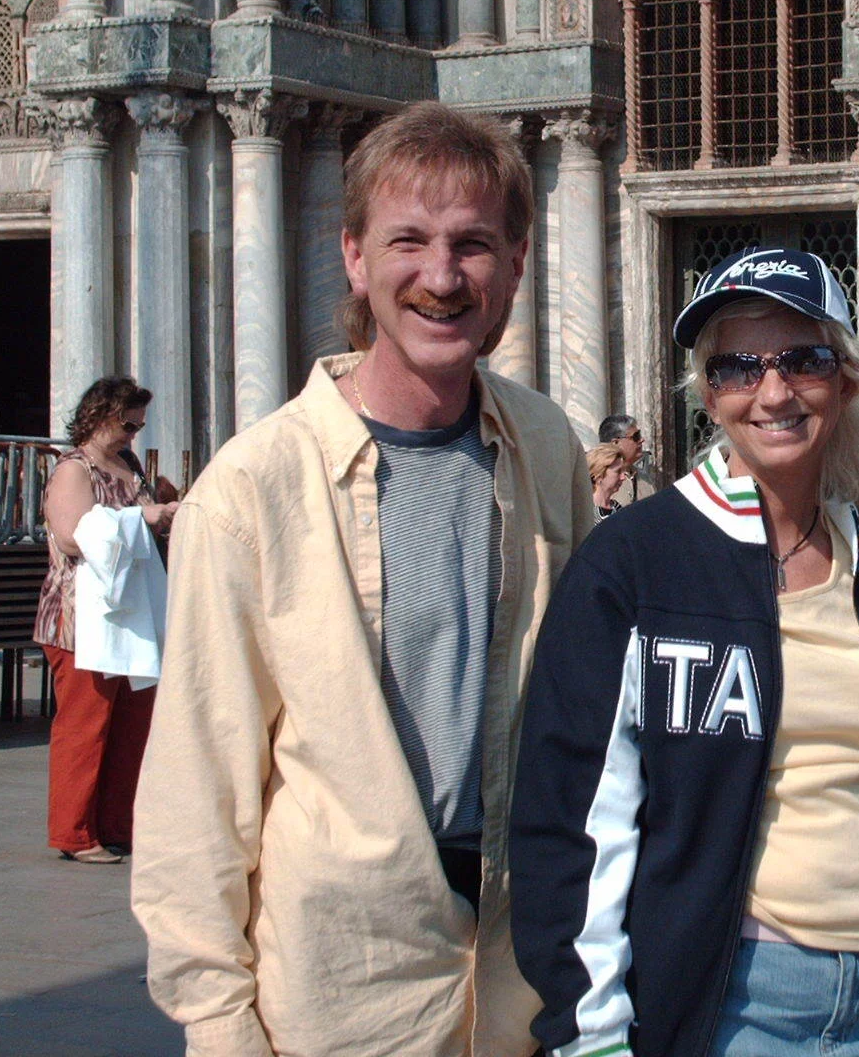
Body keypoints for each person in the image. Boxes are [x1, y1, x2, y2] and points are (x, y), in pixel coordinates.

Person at [132, 102, 597, 1057]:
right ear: (353, 258)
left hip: (518, 974)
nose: (441, 276)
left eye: (473, 244)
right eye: (409, 242)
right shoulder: (253, 489)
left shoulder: (546, 446)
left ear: (516, 262)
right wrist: (219, 1022)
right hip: (344, 987)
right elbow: (199, 781)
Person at [512, 246, 859, 1057]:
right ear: (708, 395)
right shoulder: (636, 564)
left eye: (804, 359)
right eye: (737, 368)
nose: (774, 391)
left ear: (847, 377)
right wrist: (590, 1038)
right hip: (734, 1006)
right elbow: (572, 822)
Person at [35, 375, 177, 864]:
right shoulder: (73, 469)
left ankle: (118, 824)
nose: (132, 433)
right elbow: (75, 537)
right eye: (126, 423)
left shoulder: (129, 466)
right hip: (80, 619)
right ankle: (75, 832)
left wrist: (162, 515)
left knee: (131, 725)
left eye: (137, 425)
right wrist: (146, 517)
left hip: (130, 614)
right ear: (98, 415)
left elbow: (140, 520)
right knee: (86, 724)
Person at [598, 412, 656, 507]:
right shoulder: (597, 481)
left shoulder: (645, 480)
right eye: (636, 436)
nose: (642, 440)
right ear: (615, 443)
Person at [586, 440, 631, 514]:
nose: (623, 477)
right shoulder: (583, 512)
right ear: (598, 475)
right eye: (618, 471)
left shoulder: (620, 511)